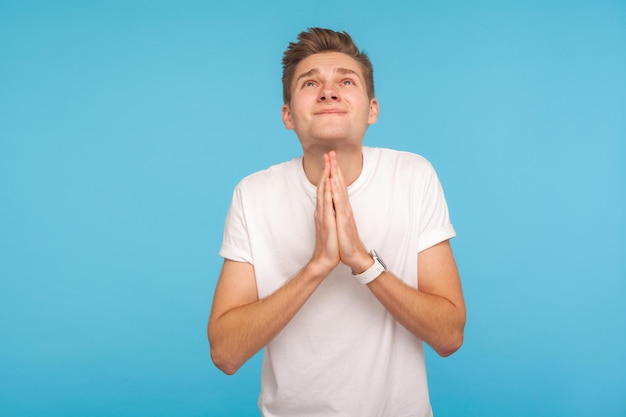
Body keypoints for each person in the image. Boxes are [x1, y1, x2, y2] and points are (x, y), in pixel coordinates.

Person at [208, 27, 466, 417]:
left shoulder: (413, 176)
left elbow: (449, 335)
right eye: (310, 83)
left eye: (346, 81)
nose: (329, 92)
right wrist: (318, 266)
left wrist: (362, 261)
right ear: (287, 115)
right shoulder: (254, 194)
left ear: (372, 109)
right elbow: (225, 353)